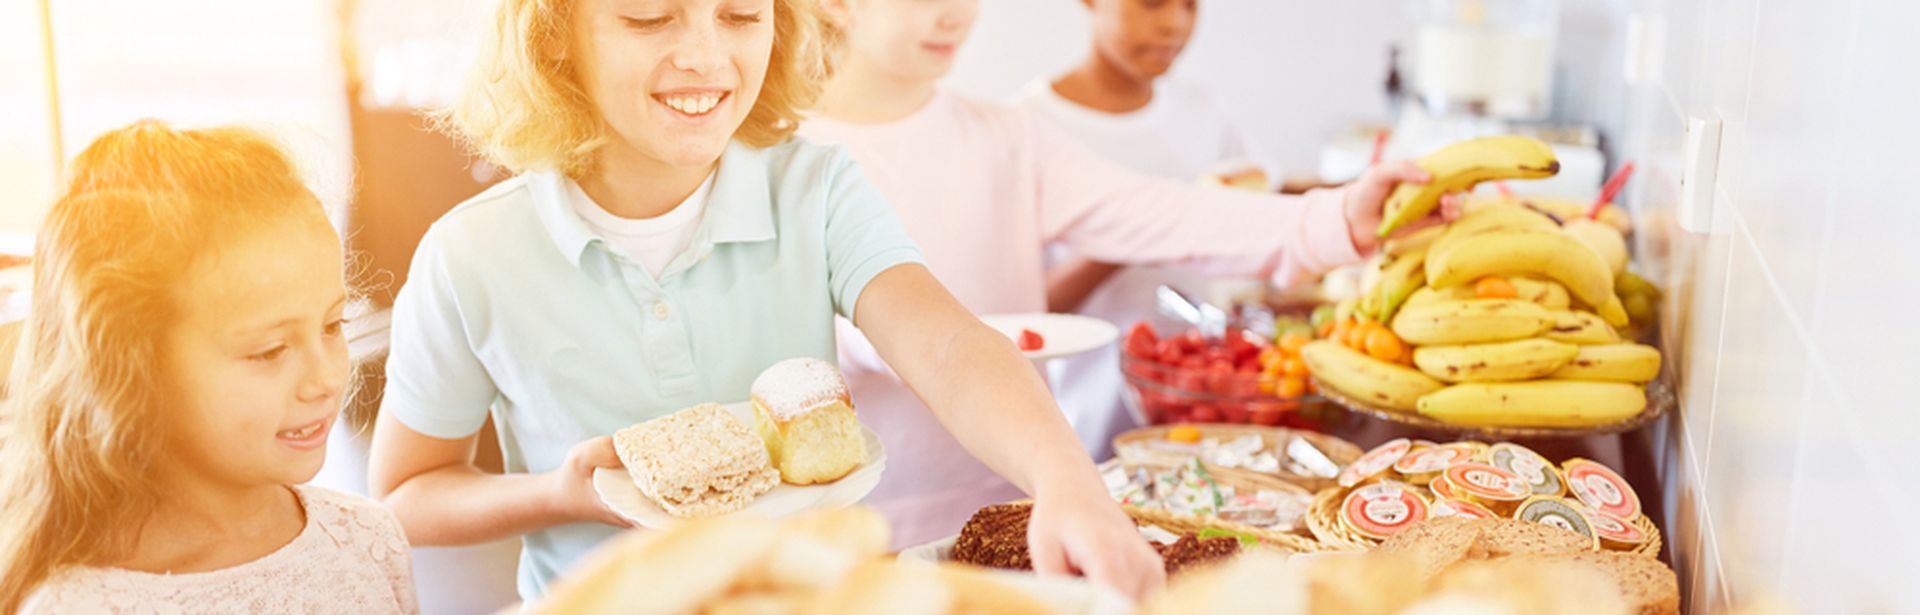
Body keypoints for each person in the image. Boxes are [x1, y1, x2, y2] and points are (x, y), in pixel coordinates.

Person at [365, 0, 1164, 603]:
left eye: (743, 14)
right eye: (650, 16)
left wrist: (1066, 480)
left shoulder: (815, 187)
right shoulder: (469, 256)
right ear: (555, 36)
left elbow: (950, 347)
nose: (705, 56)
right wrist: (560, 495)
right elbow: (405, 495)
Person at [801, 0, 1433, 546]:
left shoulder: (1005, 137)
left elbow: (1165, 211)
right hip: (858, 515)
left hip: (1024, 498)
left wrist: (1338, 219)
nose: (956, 14)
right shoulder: (783, 152)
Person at [0, 121, 417, 613]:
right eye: (270, 351)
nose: (325, 379)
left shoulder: (368, 538)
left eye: (332, 326)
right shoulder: (77, 604)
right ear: (133, 366)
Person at [1015, 0, 1278, 458]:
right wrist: (1133, 233)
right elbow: (1021, 312)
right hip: (1082, 435)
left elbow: (1262, 220)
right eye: (1151, 2)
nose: (1174, 23)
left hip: (1204, 420)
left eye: (1191, 5)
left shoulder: (1205, 112)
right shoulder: (1027, 126)